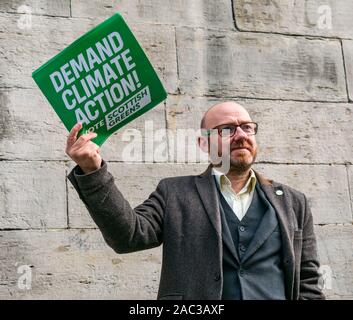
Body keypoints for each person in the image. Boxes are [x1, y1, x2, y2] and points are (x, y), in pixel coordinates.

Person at [66, 101, 325, 300]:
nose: (240, 135)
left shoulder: (293, 202)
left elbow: (308, 280)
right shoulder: (175, 192)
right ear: (204, 143)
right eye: (227, 129)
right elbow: (128, 236)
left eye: (247, 127)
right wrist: (93, 170)